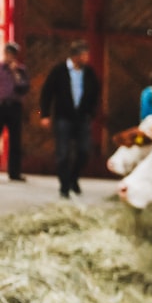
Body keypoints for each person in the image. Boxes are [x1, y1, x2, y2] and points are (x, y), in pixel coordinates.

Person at [39, 39, 100, 199]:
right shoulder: (59, 71)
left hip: (82, 117)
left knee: (84, 151)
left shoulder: (89, 73)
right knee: (63, 153)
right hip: (63, 118)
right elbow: (47, 93)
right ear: (75, 56)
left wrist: (91, 112)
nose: (87, 58)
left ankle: (73, 177)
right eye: (84, 55)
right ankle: (64, 186)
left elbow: (96, 93)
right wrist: (45, 114)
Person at [0, 42, 29, 181]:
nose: (9, 56)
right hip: (1, 105)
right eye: (8, 53)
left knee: (15, 140)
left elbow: (23, 88)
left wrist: (15, 73)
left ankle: (14, 173)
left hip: (15, 107)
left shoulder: (21, 70)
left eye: (12, 54)